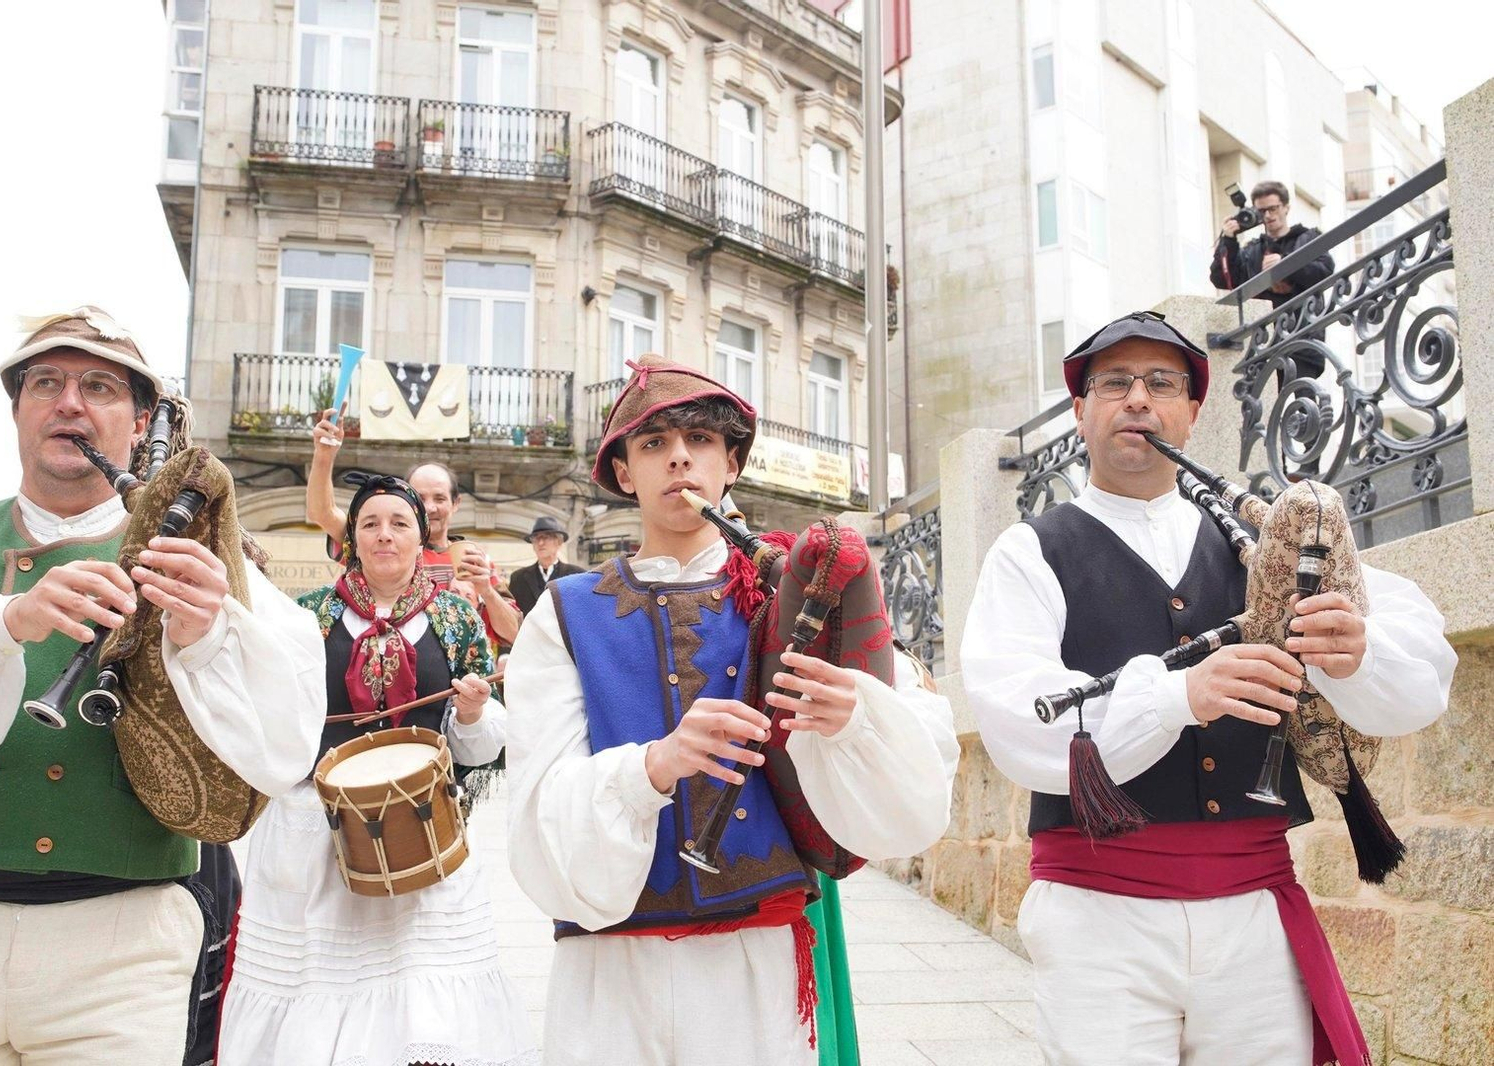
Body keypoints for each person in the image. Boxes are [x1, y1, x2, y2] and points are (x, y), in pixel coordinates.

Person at [962, 311, 1457, 1066]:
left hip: (1254, 916)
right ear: (1080, 411)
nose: (1138, 399)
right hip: (1099, 919)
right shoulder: (1030, 550)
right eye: (1115, 383)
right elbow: (1016, 719)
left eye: (1162, 383)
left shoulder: (1268, 543)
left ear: (1192, 414)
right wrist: (1176, 698)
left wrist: (1358, 651)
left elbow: (1421, 682)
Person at [0, 306, 326, 1065]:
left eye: (99, 385)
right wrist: (3, 622)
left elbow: (282, 742)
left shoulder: (204, 554)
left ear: (141, 422)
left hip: (122, 946)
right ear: (19, 412)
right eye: (46, 384)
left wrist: (208, 633)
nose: (70, 403)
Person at [503, 355, 958, 1065]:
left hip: (757, 957)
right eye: (652, 444)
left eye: (700, 441)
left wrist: (858, 715)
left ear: (731, 463)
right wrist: (654, 766)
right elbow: (535, 807)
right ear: (624, 472)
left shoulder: (798, 589)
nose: (678, 457)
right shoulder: (561, 614)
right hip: (610, 975)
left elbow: (919, 730)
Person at [217, 473, 536, 1066]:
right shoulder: (306, 616)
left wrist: (470, 713)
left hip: (424, 834)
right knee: (316, 996)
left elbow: (477, 749)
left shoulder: (458, 620)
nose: (384, 535)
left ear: (423, 539)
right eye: (370, 524)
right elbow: (277, 716)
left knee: (424, 1003)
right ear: (349, 540)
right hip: (317, 835)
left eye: (399, 524)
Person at [306, 413, 522, 649]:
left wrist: (487, 592)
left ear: (456, 503)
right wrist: (324, 456)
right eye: (420, 498)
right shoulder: (382, 545)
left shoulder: (475, 558)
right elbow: (323, 513)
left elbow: (514, 635)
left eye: (439, 498)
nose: (430, 507)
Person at [1208, 179, 1336, 380]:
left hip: (1303, 338)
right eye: (1262, 211)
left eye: (1273, 208)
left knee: (1304, 404)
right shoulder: (1253, 250)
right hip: (1263, 345)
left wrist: (1286, 264)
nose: (1268, 215)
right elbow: (1221, 279)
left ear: (1286, 208)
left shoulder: (1307, 239)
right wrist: (1229, 240)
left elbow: (1325, 270)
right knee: (1265, 409)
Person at [506, 514, 584, 618]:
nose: (541, 543)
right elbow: (513, 614)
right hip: (530, 633)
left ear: (559, 542)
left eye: (546, 537)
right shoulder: (518, 578)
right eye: (536, 538)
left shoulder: (576, 575)